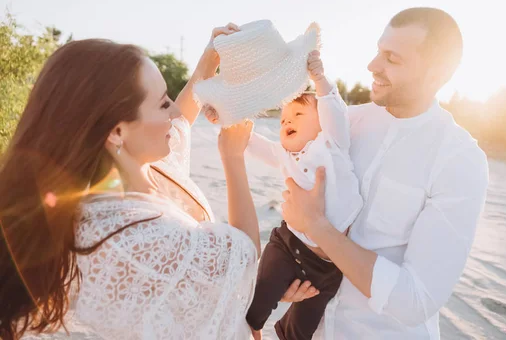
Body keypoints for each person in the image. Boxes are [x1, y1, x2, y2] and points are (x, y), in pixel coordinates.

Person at [0, 24, 316, 340]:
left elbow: (179, 122)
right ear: (117, 132)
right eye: (162, 103)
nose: (173, 112)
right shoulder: (132, 234)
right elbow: (243, 256)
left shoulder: (141, 171)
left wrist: (208, 63)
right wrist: (233, 158)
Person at [281, 7, 490, 339]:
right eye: (379, 51)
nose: (372, 66)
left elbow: (415, 300)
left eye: (392, 59)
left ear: (436, 74)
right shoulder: (345, 121)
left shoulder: (459, 160)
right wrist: (284, 279)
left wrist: (318, 228)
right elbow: (292, 169)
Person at [243, 51, 363, 340]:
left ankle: (285, 332)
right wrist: (231, 122)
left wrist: (319, 80)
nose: (287, 122)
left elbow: (334, 111)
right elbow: (253, 144)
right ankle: (249, 328)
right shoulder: (284, 153)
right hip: (287, 243)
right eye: (284, 119)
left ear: (322, 123)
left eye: (298, 114)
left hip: (328, 263)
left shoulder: (332, 143)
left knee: (301, 329)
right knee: (259, 302)